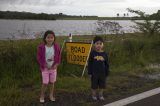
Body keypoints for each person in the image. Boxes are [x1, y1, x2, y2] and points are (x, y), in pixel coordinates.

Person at [37, 30, 61, 103]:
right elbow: (39, 57)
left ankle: (51, 95)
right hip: (45, 69)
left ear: (54, 38)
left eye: (51, 37)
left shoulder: (56, 46)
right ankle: (42, 96)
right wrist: (44, 65)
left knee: (52, 82)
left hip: (53, 68)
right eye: (48, 37)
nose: (50, 39)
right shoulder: (41, 47)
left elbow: (59, 56)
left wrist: (57, 64)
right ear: (45, 38)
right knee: (45, 83)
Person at [88, 36, 109, 101]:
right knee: (94, 86)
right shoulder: (92, 53)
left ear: (103, 45)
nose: (99, 45)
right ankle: (94, 95)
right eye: (97, 43)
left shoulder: (105, 54)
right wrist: (90, 73)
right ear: (94, 44)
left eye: (100, 43)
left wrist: (107, 73)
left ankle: (100, 95)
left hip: (102, 73)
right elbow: (90, 64)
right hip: (94, 73)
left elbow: (107, 64)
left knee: (102, 86)